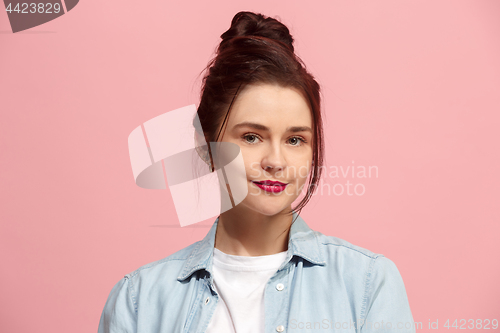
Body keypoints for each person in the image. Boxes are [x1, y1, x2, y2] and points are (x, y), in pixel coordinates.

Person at [98, 11, 415, 333]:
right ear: (205, 144)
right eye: (251, 137)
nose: (276, 161)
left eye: (295, 139)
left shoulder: (367, 284)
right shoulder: (140, 299)